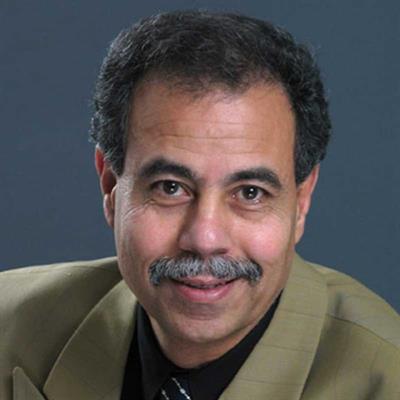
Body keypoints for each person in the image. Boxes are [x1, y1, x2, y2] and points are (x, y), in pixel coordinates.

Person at [1, 10, 399, 400]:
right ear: (110, 185)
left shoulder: (386, 378)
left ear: (302, 199)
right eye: (170, 188)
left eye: (250, 193)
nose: (205, 239)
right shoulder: (9, 325)